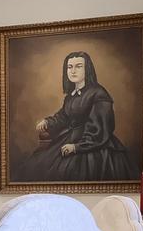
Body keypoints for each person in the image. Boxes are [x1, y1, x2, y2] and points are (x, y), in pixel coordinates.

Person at [20, 50, 134, 183]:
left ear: (87, 69)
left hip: (93, 144)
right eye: (70, 67)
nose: (73, 71)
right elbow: (63, 117)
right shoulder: (71, 96)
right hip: (71, 138)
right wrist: (48, 122)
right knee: (37, 164)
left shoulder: (99, 94)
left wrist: (76, 147)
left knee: (67, 170)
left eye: (78, 66)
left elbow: (99, 129)